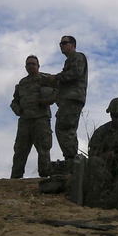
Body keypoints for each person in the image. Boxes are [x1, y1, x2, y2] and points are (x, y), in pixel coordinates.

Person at [40, 35, 88, 167]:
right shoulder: (70, 60)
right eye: (60, 43)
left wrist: (56, 78)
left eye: (64, 43)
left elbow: (75, 73)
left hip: (72, 98)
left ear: (73, 44)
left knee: (65, 128)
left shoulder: (78, 56)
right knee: (65, 128)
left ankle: (72, 160)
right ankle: (71, 160)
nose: (61, 45)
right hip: (68, 98)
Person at [9, 55, 55, 178]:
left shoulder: (46, 78)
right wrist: (17, 110)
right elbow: (14, 101)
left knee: (43, 149)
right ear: (25, 67)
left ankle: (45, 177)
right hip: (25, 121)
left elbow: (58, 92)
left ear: (38, 66)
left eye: (33, 64)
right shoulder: (22, 83)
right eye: (28, 64)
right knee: (20, 150)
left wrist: (48, 101)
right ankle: (15, 178)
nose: (31, 66)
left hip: (41, 119)